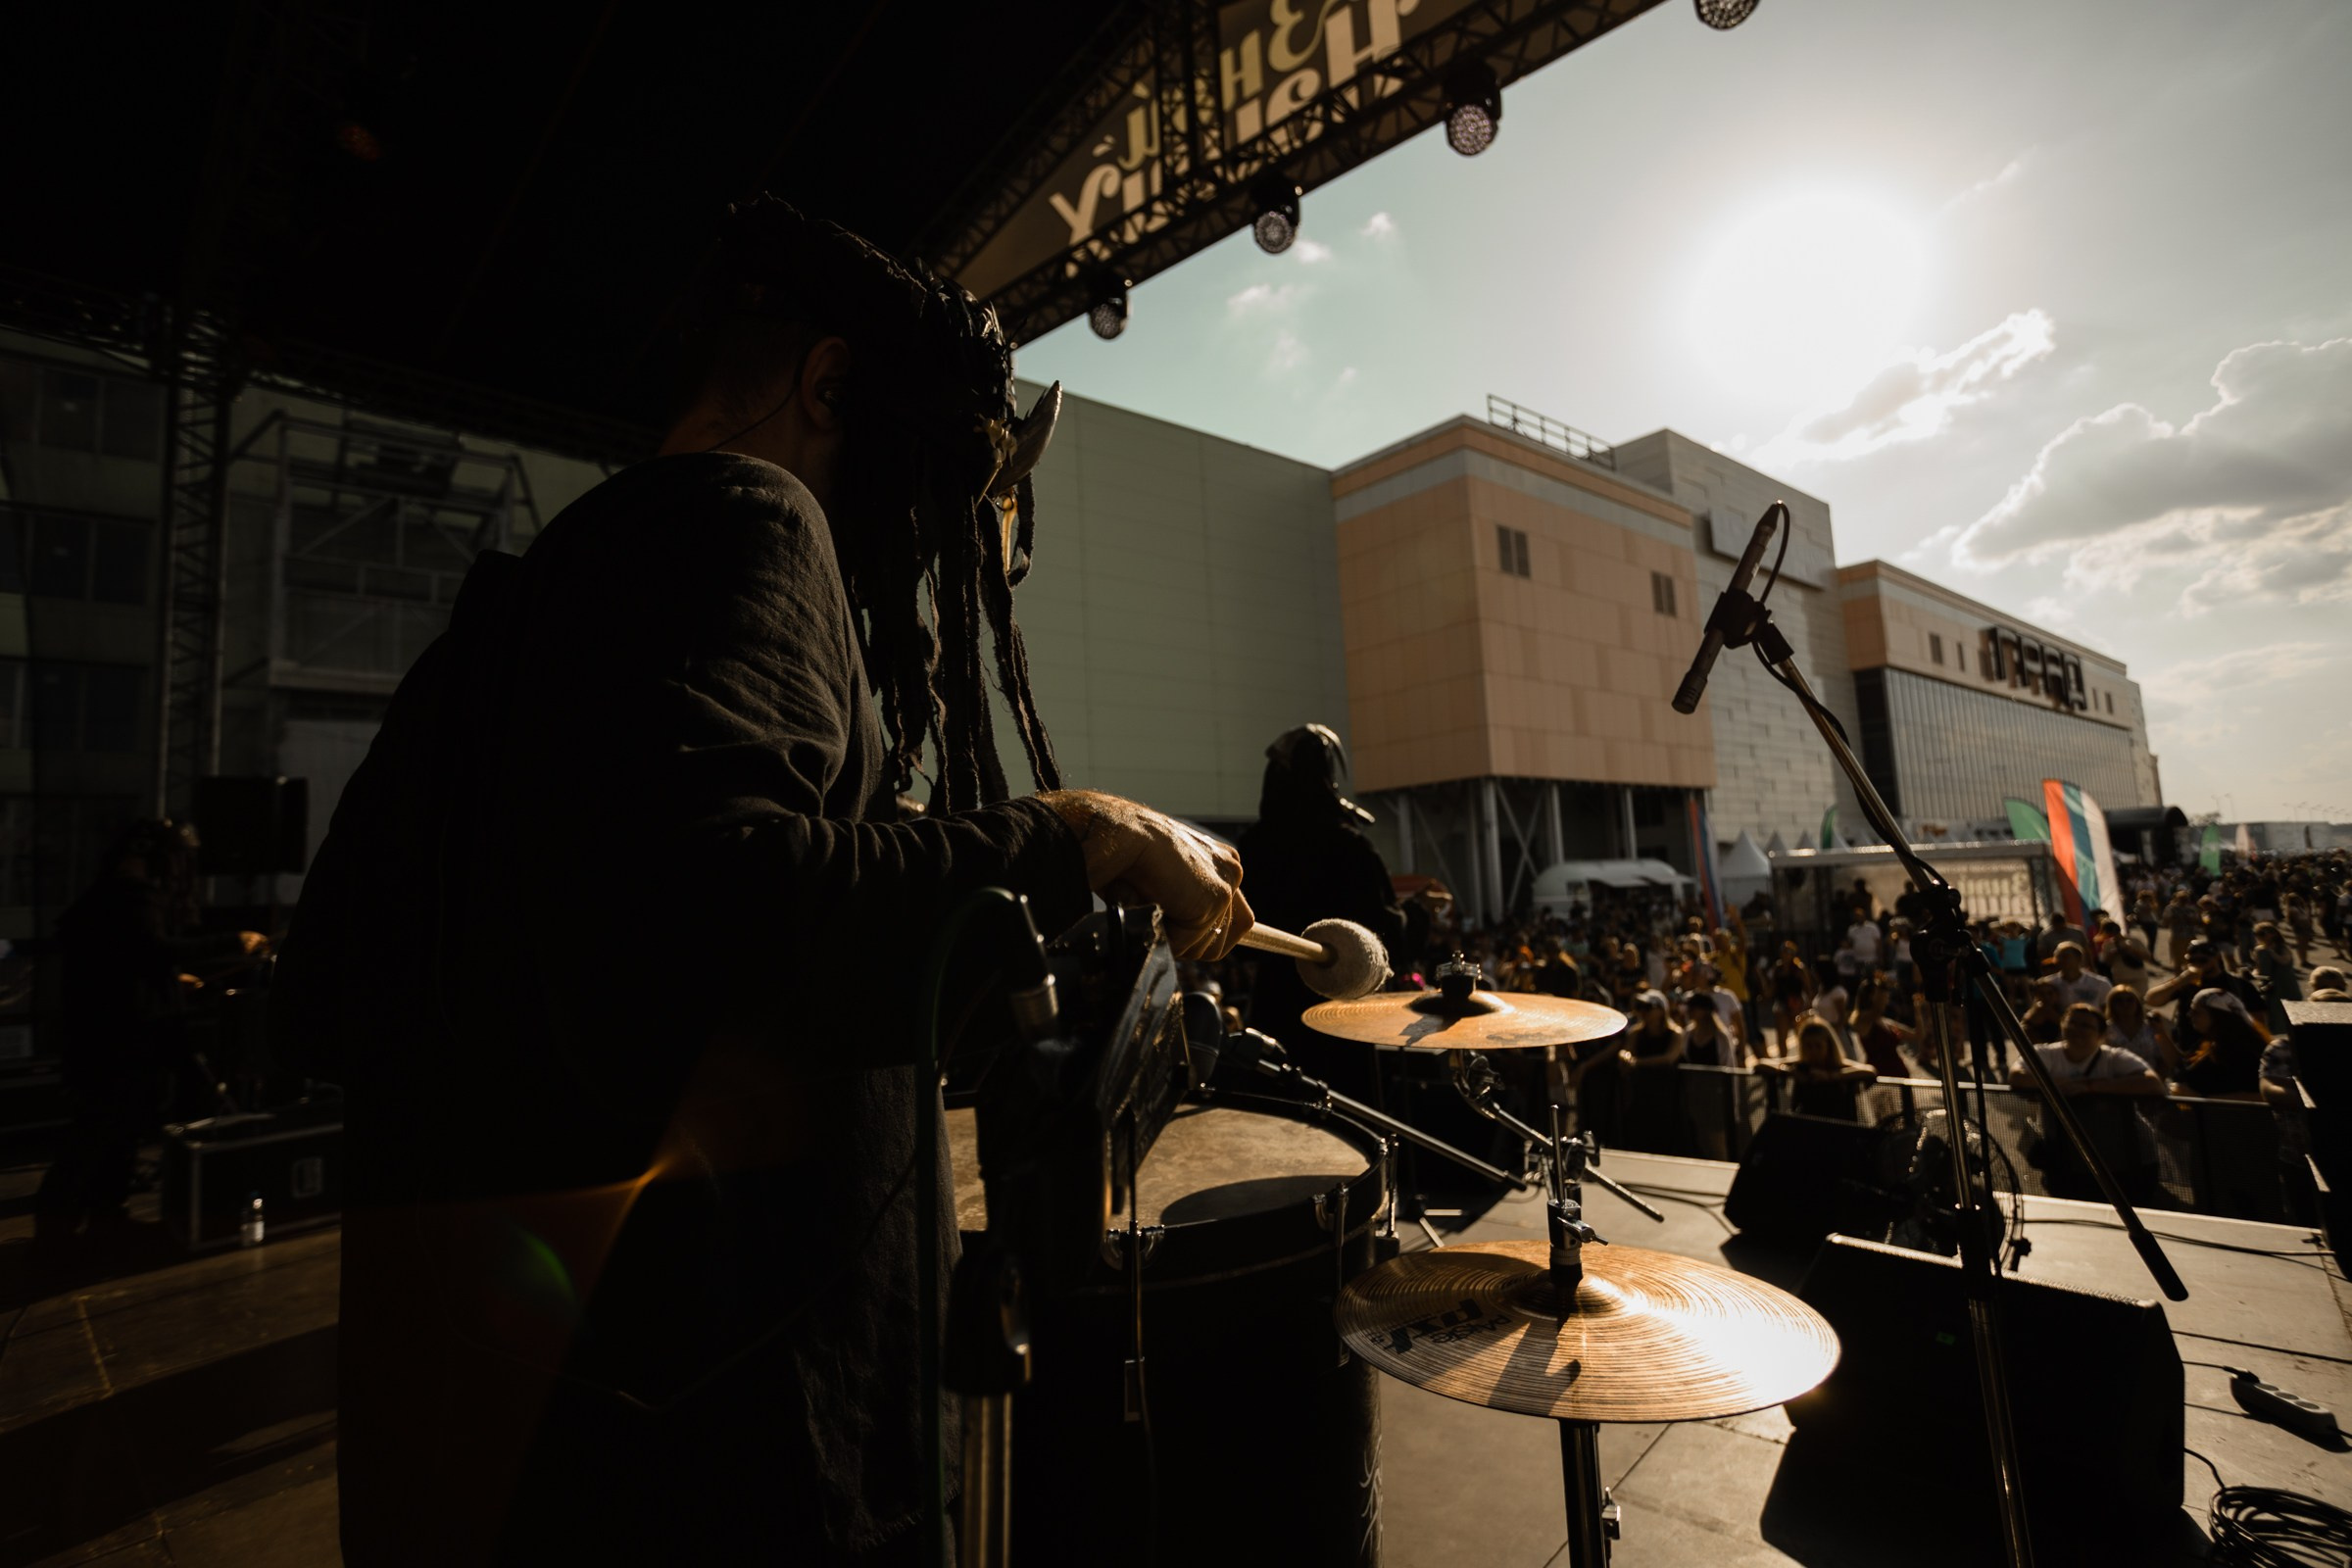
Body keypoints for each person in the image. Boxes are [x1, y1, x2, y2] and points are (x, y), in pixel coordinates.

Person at [272, 200, 1251, 1567]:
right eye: (927, 478)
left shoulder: (530, 609)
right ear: (830, 386)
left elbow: (347, 981)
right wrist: (1082, 832)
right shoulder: (751, 514)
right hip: (721, 1461)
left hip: (518, 1445)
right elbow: (718, 920)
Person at [33, 819, 268, 1250]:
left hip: (103, 1036)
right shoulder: (130, 900)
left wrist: (167, 982)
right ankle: (59, 1227)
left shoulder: (107, 899)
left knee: (112, 1129)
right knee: (99, 1130)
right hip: (118, 1040)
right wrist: (233, 941)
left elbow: (124, 965)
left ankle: (99, 1218)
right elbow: (152, 950)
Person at [1237, 724, 1403, 1102]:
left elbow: (1241, 940)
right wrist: (1420, 915)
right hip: (1341, 1023)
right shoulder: (1350, 848)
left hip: (1273, 1016)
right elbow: (1387, 937)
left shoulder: (1254, 848)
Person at [2008, 1003, 2165, 1200]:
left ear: (2101, 1034)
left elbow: (2153, 1083)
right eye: (2072, 1023)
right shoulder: (2046, 1053)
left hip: (2126, 1157)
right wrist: (2063, 1084)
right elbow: (2017, 1077)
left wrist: (2089, 1087)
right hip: (2067, 1159)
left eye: (2085, 1025)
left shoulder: (2114, 1057)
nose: (2077, 1029)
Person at [1759, 1019, 1875, 1120]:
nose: (1813, 1051)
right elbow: (1761, 1064)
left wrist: (1831, 1076)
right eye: (1808, 1046)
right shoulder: (1801, 1065)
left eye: (1818, 1046)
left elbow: (1870, 1071)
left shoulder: (1837, 1065)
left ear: (1829, 1046)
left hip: (1839, 1128)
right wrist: (1788, 1072)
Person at [1618, 991, 1687, 1153]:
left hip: (1666, 1094)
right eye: (1641, 1007)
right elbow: (1625, 1051)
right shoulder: (1636, 1032)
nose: (1644, 1012)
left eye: (1649, 1007)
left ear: (1662, 1010)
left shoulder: (1675, 1034)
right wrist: (1626, 1057)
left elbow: (1669, 1058)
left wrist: (1637, 1062)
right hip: (1641, 1093)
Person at [2173, 990, 2267, 1101]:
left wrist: (2199, 1098)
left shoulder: (2242, 1051)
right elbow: (2182, 1065)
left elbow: (2259, 1095)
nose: (2189, 1015)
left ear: (2217, 1016)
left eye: (2197, 1012)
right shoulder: (2211, 1042)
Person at [1847, 980, 1915, 1080]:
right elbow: (1874, 1013)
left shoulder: (1884, 1021)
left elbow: (1917, 1035)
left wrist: (1917, 1010)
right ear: (1870, 996)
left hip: (1899, 1078)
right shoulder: (1863, 1020)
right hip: (1881, 1079)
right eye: (1878, 994)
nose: (1885, 998)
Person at [2248, 920, 2304, 1037]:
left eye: (2262, 934)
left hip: (2286, 983)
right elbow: (2258, 968)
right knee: (2274, 1014)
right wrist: (2253, 975)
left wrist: (2271, 952)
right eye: (2257, 934)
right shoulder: (2259, 950)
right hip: (2271, 986)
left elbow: (2284, 961)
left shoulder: (2281, 947)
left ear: (2273, 933)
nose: (2260, 937)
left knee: (2293, 1011)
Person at [2103, 986, 2173, 1078]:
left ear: (2137, 1003)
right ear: (2112, 1005)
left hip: (2150, 1080)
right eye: (2119, 1001)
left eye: (2130, 1000)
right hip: (2117, 1081)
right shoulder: (2105, 1029)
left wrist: (2157, 1081)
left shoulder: (2151, 1028)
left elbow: (2164, 1060)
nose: (2125, 1004)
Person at [1768, 941, 1813, 1056]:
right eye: (1783, 952)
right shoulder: (1777, 968)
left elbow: (1807, 987)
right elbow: (1772, 986)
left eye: (1788, 952)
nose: (1785, 954)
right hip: (1782, 1003)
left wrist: (1809, 1005)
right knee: (1782, 1036)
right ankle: (1783, 1060)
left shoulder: (1799, 968)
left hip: (1798, 1003)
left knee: (1800, 1034)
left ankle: (1804, 1057)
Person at [2047, 941, 2113, 1012]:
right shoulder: (2049, 984)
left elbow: (2109, 1011)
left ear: (2079, 958)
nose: (2060, 960)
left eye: (2065, 956)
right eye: (2058, 957)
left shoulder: (2100, 984)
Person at [2020, 977, 2065, 1045]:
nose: (2046, 997)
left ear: (2057, 994)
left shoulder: (2064, 1012)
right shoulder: (2030, 1017)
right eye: (2041, 993)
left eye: (2050, 993)